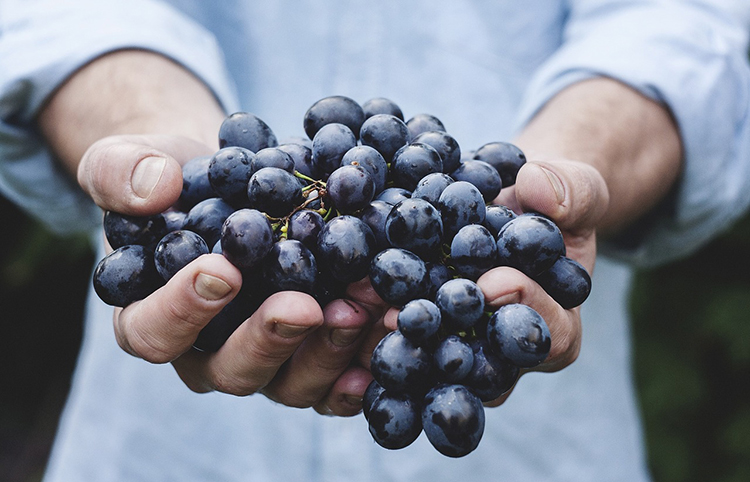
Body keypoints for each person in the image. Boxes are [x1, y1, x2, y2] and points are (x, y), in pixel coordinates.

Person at [2, 1, 749, 480]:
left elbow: (682, 25)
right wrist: (158, 149)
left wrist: (567, 168)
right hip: (167, 444)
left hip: (535, 441)